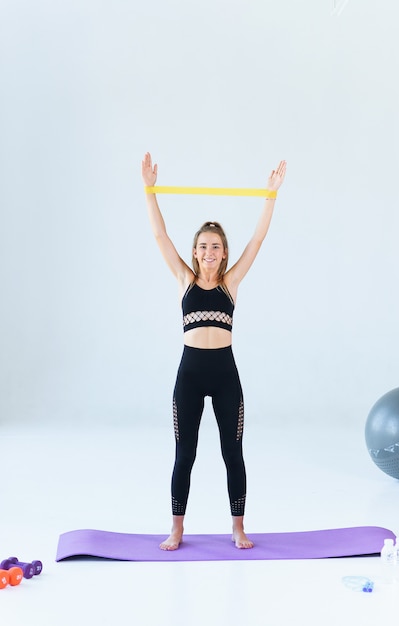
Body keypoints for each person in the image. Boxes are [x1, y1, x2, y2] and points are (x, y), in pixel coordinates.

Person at [141, 152, 286, 550]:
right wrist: (149, 191)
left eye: (216, 246)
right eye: (203, 246)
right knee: (184, 453)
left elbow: (257, 240)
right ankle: (177, 528)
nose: (209, 252)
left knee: (232, 453)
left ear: (224, 253)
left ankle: (238, 527)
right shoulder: (183, 279)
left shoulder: (231, 283)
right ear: (195, 251)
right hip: (189, 375)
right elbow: (160, 237)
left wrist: (270, 195)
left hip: (225, 375)